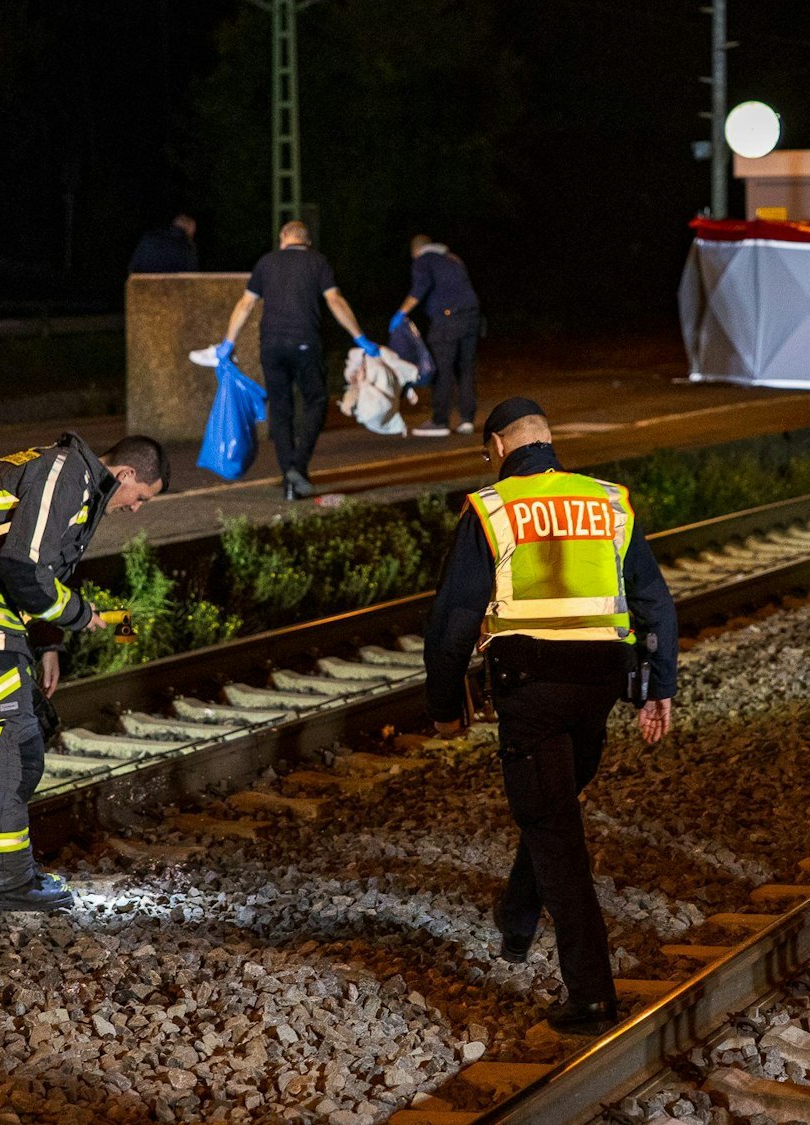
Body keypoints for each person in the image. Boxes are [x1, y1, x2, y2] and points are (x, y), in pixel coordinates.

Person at [422, 397, 677, 1036]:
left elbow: (453, 622)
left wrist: (444, 708)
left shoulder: (492, 507)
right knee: (552, 808)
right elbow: (654, 600)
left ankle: (592, 995)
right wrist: (660, 686)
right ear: (548, 439)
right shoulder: (608, 501)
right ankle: (515, 918)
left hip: (530, 691)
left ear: (500, 448)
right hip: (598, 687)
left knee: (555, 834)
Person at [0, 433, 168, 912]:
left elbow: (37, 569)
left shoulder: (70, 480)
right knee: (5, 752)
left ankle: (6, 872)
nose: (136, 508)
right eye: (141, 497)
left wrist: (48, 645)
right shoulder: (66, 472)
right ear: (124, 475)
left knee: (23, 745)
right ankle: (1, 886)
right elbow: (23, 566)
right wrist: (80, 614)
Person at [220, 221, 381, 501]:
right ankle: (299, 465)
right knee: (316, 401)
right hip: (306, 343)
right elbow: (335, 301)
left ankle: (289, 480)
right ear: (307, 241)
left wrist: (228, 342)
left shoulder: (266, 262)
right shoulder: (317, 262)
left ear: (283, 238)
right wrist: (360, 337)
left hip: (271, 345)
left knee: (281, 408)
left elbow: (245, 304)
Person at [393, 235, 482, 437]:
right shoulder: (452, 258)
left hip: (447, 319)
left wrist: (401, 313)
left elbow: (419, 289)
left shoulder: (423, 261)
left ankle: (440, 421)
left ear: (416, 251)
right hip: (471, 316)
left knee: (442, 369)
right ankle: (467, 419)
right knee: (466, 368)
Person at [128, 213, 199, 274]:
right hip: (172, 286)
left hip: (143, 285)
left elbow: (134, 266)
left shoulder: (149, 238)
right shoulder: (185, 245)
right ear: (189, 226)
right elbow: (190, 273)